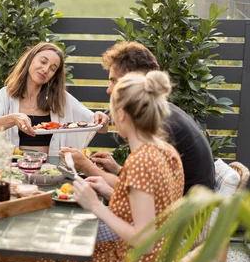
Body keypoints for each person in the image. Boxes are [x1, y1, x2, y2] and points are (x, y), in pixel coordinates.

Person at [33, 71, 185, 262]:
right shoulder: (163, 149)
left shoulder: (142, 161)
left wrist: (94, 205)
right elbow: (154, 208)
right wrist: (106, 189)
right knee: (67, 252)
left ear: (123, 114)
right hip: (163, 260)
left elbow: (144, 240)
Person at [0, 42, 109, 262]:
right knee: (6, 209)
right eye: (43, 62)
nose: (46, 70)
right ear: (30, 60)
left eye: (53, 68)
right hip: (12, 168)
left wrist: (100, 118)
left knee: (62, 211)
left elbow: (97, 126)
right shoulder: (7, 95)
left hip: (50, 170)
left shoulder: (58, 99)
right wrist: (14, 118)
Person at [60, 41, 215, 194]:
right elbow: (145, 186)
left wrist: (86, 167)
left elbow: (144, 201)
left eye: (115, 81)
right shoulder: (160, 113)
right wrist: (118, 170)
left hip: (182, 216)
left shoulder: (162, 126)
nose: (109, 90)